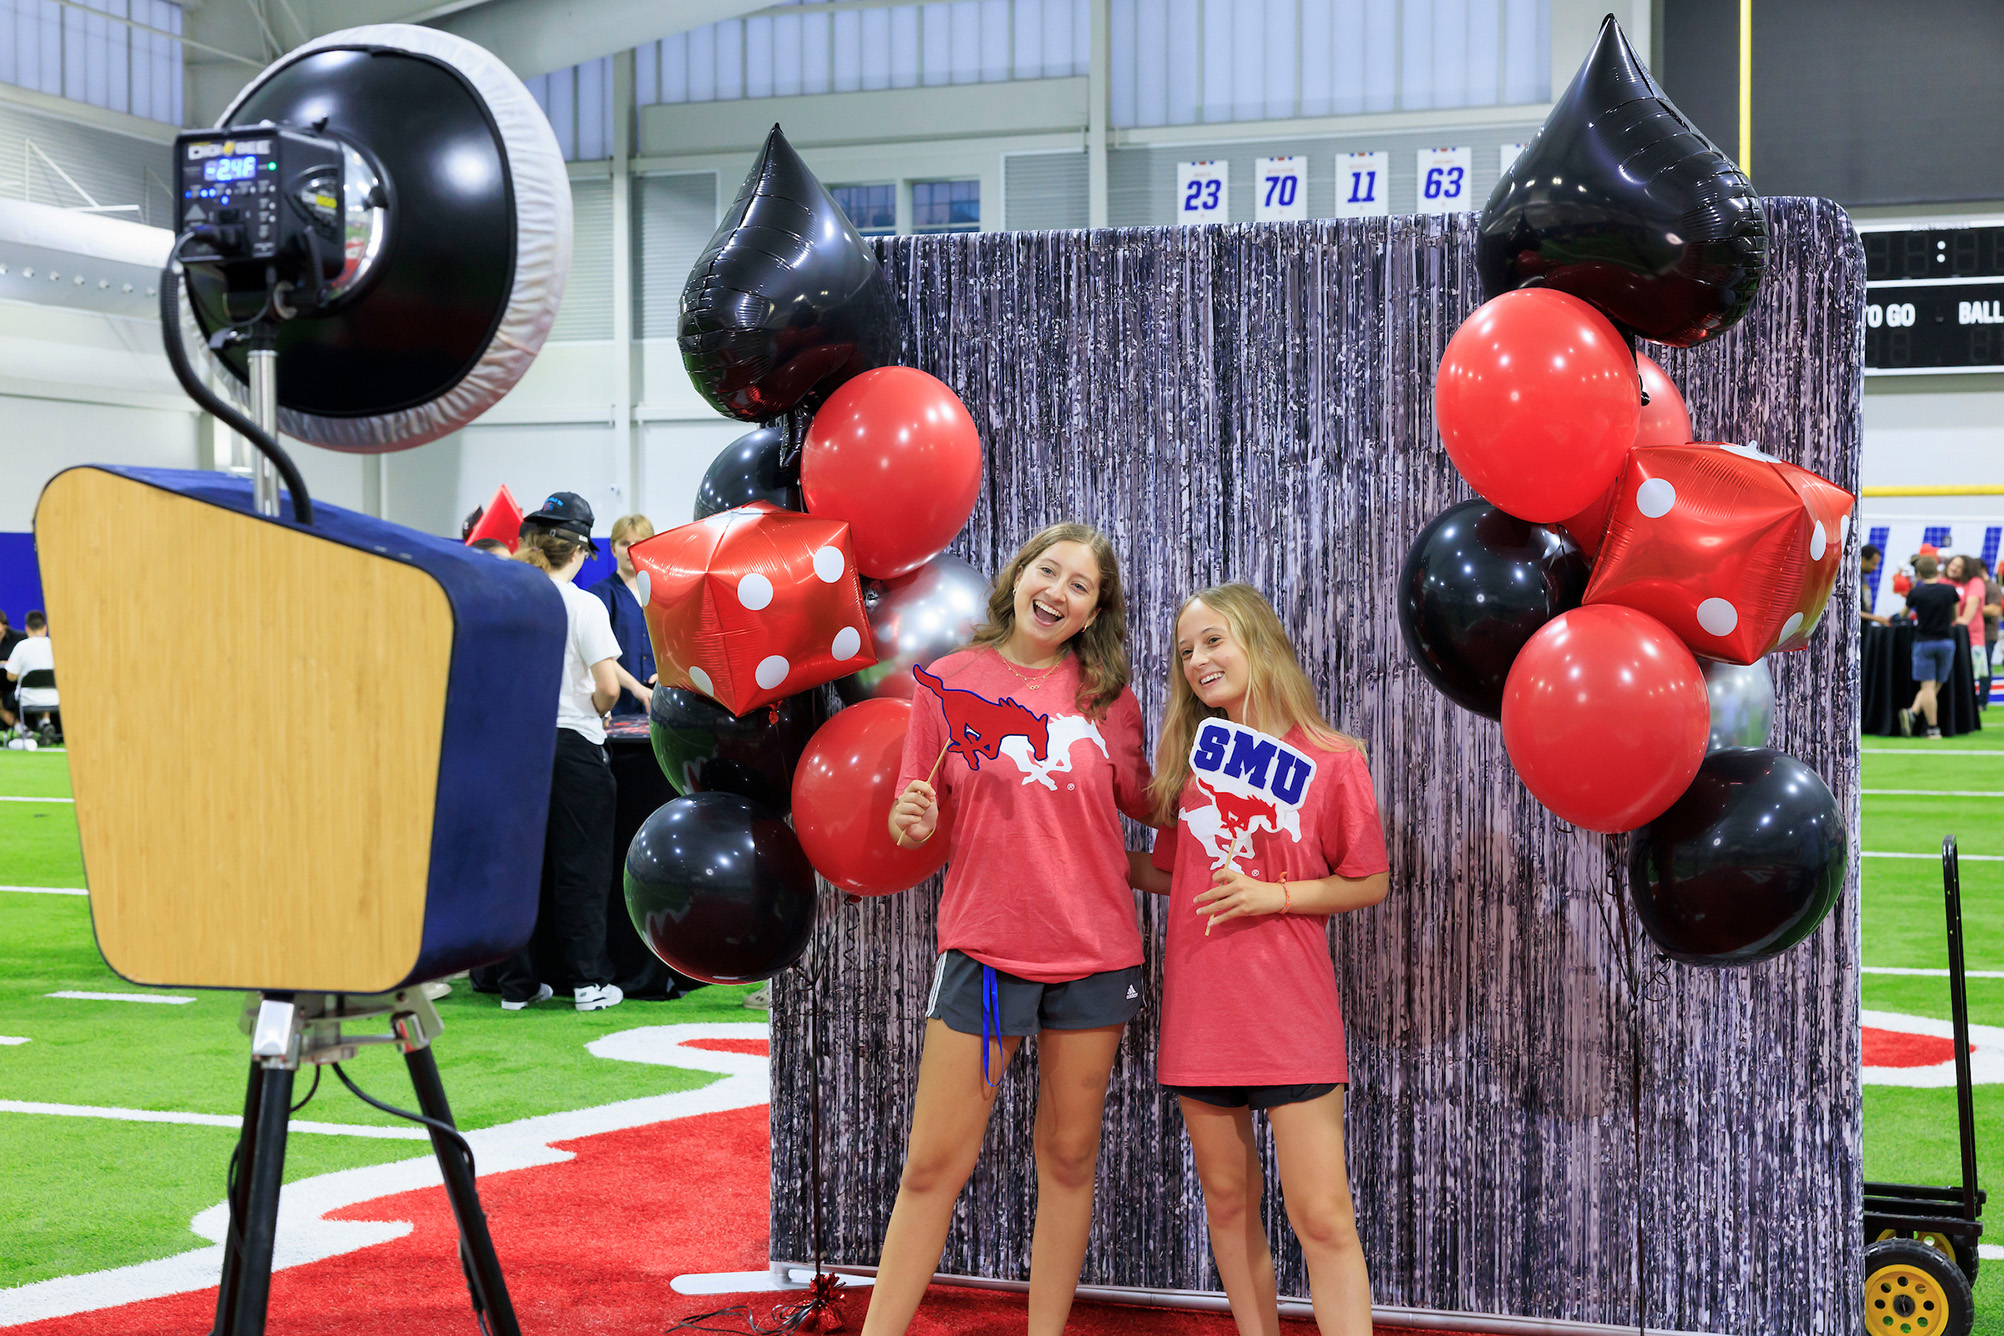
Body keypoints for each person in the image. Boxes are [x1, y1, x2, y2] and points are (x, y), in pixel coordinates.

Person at [872, 523, 1153, 1336]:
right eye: (1049, 570)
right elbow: (910, 825)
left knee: (1067, 1159)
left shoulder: (1107, 696)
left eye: (1080, 587)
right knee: (933, 1165)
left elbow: (1148, 804)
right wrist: (908, 817)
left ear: (1095, 610)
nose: (1057, 592)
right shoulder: (948, 683)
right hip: (987, 956)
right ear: (1020, 572)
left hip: (1096, 958)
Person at [1129, 584, 1388, 1336]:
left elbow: (1368, 879)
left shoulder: (1334, 759)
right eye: (1185, 651)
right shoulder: (1193, 763)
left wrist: (1273, 897)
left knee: (1323, 1215)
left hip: (1290, 1014)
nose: (1198, 660)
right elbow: (1172, 872)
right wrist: (1080, 851)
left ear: (1257, 641)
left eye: (1213, 641)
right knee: (1229, 1203)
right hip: (1201, 1016)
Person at [482, 493, 626, 1012]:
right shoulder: (583, 605)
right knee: (581, 867)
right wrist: (590, 704)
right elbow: (608, 689)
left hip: (516, 746)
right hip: (572, 745)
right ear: (583, 551)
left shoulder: (507, 601)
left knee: (519, 866)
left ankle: (516, 986)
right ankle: (588, 983)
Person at [588, 514, 659, 717]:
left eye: (639, 543)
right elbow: (599, 653)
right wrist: (636, 687)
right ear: (613, 548)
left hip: (659, 704)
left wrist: (665, 676)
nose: (631, 549)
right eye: (625, 543)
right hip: (617, 707)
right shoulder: (599, 595)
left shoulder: (663, 594)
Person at [1901, 555, 1962, 739]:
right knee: (1937, 683)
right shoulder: (1949, 590)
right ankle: (1914, 714)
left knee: (1927, 686)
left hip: (1924, 642)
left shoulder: (1916, 593)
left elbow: (1903, 614)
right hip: (1946, 641)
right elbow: (1955, 616)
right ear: (1938, 570)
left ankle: (1930, 726)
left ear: (1919, 573)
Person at [4, 611, 57, 740]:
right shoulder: (55, 646)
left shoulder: (21, 647)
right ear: (45, 627)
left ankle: (23, 730)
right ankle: (45, 723)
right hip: (54, 698)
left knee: (3, 702)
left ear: (27, 628)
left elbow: (10, 677)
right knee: (45, 688)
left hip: (26, 699)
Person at [0, 611, 21, 731]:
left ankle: (41, 725)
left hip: (13, 684)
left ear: (4, 626)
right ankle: (21, 729)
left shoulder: (19, 639)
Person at [1860, 544, 1889, 626]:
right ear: (1862, 559)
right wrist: (1875, 618)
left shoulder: (1864, 580)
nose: (1875, 568)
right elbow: (1848, 610)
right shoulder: (1850, 582)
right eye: (1873, 564)